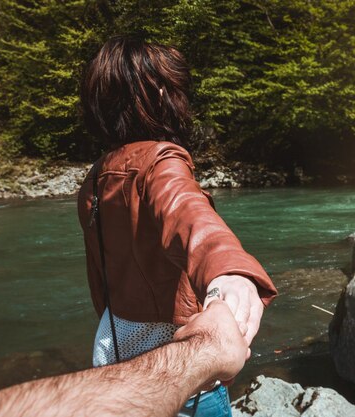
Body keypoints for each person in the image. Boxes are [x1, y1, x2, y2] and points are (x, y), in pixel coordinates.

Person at [77, 36, 277, 416]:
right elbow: (190, 216)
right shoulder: (160, 161)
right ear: (162, 96)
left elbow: (99, 282)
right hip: (177, 360)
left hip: (114, 350)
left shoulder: (95, 178)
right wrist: (230, 272)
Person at [0, 301, 249, 417]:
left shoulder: (161, 177)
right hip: (132, 374)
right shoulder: (95, 190)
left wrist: (232, 273)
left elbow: (194, 218)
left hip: (194, 387)